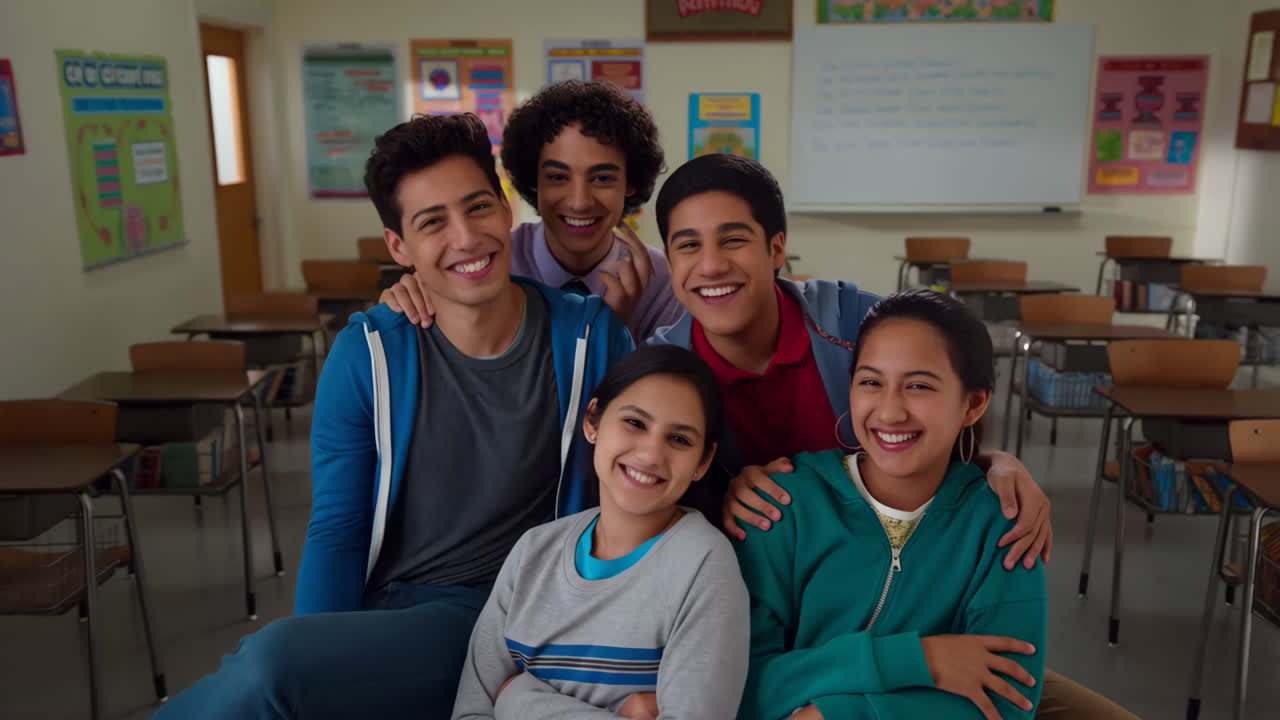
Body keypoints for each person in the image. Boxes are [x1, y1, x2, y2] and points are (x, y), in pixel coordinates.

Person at [154, 113, 634, 719]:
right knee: (279, 664)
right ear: (400, 248)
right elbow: (337, 528)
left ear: (507, 210)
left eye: (478, 207)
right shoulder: (369, 355)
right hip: (396, 612)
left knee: (271, 664)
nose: (465, 238)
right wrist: (324, 657)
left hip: (519, 616)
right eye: (433, 222)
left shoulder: (590, 339)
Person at [646, 154, 1052, 571]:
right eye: (689, 245)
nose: (712, 265)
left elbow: (947, 408)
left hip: (887, 567)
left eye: (733, 240)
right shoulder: (660, 374)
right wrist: (720, 495)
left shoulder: (867, 327)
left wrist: (992, 463)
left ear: (776, 248)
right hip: (744, 577)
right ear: (670, 261)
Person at [735, 290, 1047, 720]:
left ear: (973, 403)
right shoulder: (781, 505)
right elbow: (739, 683)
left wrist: (832, 715)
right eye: (871, 382)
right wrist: (918, 659)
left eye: (918, 386)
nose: (890, 411)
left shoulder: (1004, 523)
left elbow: (1006, 703)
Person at [452, 345, 749, 719]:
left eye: (679, 440)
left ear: (702, 461)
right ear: (592, 421)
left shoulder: (703, 564)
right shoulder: (533, 551)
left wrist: (519, 700)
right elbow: (470, 712)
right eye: (635, 423)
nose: (650, 454)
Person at [384, 80, 683, 341]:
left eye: (602, 178)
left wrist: (617, 327)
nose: (579, 201)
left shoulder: (664, 283)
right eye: (557, 177)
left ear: (630, 182)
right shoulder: (486, 263)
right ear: (533, 179)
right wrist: (408, 298)